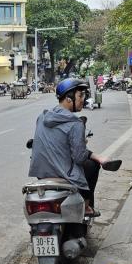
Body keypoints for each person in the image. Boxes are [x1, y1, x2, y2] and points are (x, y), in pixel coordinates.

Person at [28, 78, 109, 217]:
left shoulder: (42, 117)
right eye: (80, 95)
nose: (83, 99)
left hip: (40, 173)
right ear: (68, 98)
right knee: (92, 165)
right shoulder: (75, 123)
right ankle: (87, 206)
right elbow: (79, 157)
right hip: (63, 174)